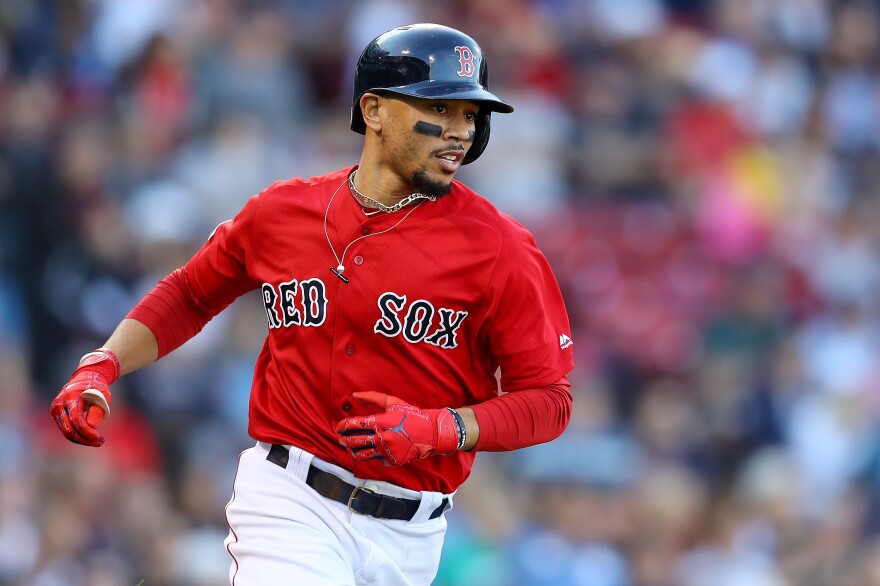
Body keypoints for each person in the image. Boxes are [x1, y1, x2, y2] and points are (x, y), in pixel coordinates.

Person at [50, 23, 575, 585]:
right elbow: (190, 293)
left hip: (412, 532)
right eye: (440, 108)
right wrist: (103, 363)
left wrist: (446, 428)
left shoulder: (502, 248)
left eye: (469, 115)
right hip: (291, 497)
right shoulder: (283, 212)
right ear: (373, 110)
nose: (458, 132)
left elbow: (549, 400)